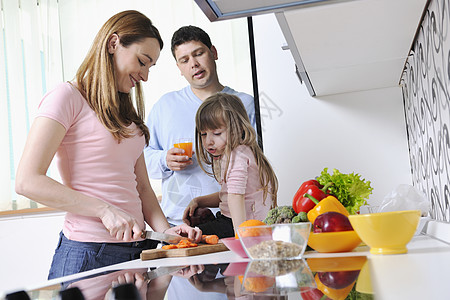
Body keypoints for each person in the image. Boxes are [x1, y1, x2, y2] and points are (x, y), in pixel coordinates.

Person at [15, 10, 202, 279]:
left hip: (139, 252)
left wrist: (166, 231)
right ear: (114, 44)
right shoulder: (67, 97)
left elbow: (141, 187)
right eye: (142, 61)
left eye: (150, 67)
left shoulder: (127, 114)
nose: (145, 76)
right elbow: (27, 181)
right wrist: (103, 210)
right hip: (89, 254)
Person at [144, 25, 256, 226]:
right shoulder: (165, 106)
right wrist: (164, 159)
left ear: (213, 52)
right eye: (184, 60)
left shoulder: (244, 104)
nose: (194, 64)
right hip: (179, 223)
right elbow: (140, 160)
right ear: (179, 68)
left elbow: (258, 163)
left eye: (199, 54)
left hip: (234, 219)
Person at [183, 93, 278, 238]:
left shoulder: (237, 156)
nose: (208, 141)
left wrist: (240, 236)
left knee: (185, 236)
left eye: (216, 133)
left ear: (238, 129)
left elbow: (235, 196)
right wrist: (198, 201)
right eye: (203, 134)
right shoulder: (243, 151)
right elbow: (228, 194)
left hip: (240, 224)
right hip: (242, 222)